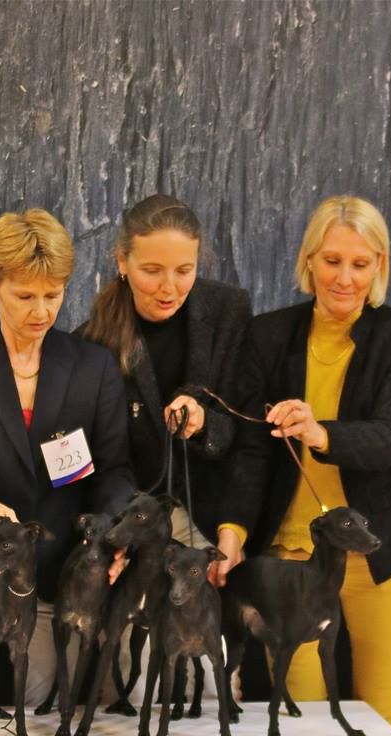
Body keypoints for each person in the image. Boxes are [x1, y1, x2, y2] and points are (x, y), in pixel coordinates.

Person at [222, 195, 391, 736]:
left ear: (380, 266)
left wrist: (321, 434)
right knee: (302, 713)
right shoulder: (269, 335)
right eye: (332, 261)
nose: (345, 278)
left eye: (360, 264)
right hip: (291, 557)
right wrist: (234, 530)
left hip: (377, 554)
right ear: (309, 259)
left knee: (382, 706)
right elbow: (251, 450)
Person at [0, 209, 134, 707]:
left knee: (40, 728)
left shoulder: (93, 367)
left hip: (54, 585)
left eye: (53, 295)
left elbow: (114, 471)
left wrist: (114, 533)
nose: (41, 311)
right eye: (25, 296)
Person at [82, 193, 252, 563]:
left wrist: (204, 425)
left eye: (184, 270)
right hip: (132, 528)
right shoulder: (92, 342)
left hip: (212, 522)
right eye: (152, 271)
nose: (169, 287)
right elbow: (101, 463)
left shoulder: (229, 310)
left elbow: (245, 432)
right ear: (122, 261)